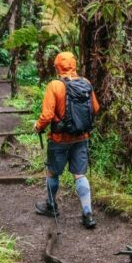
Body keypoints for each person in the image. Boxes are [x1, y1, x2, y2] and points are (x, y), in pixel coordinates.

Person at [34, 52, 100, 229]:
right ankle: (87, 213)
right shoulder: (85, 83)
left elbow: (47, 115)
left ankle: (51, 205)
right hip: (81, 137)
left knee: (52, 173)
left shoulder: (54, 85)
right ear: (74, 65)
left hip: (59, 138)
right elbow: (95, 108)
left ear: (57, 67)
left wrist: (38, 127)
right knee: (80, 175)